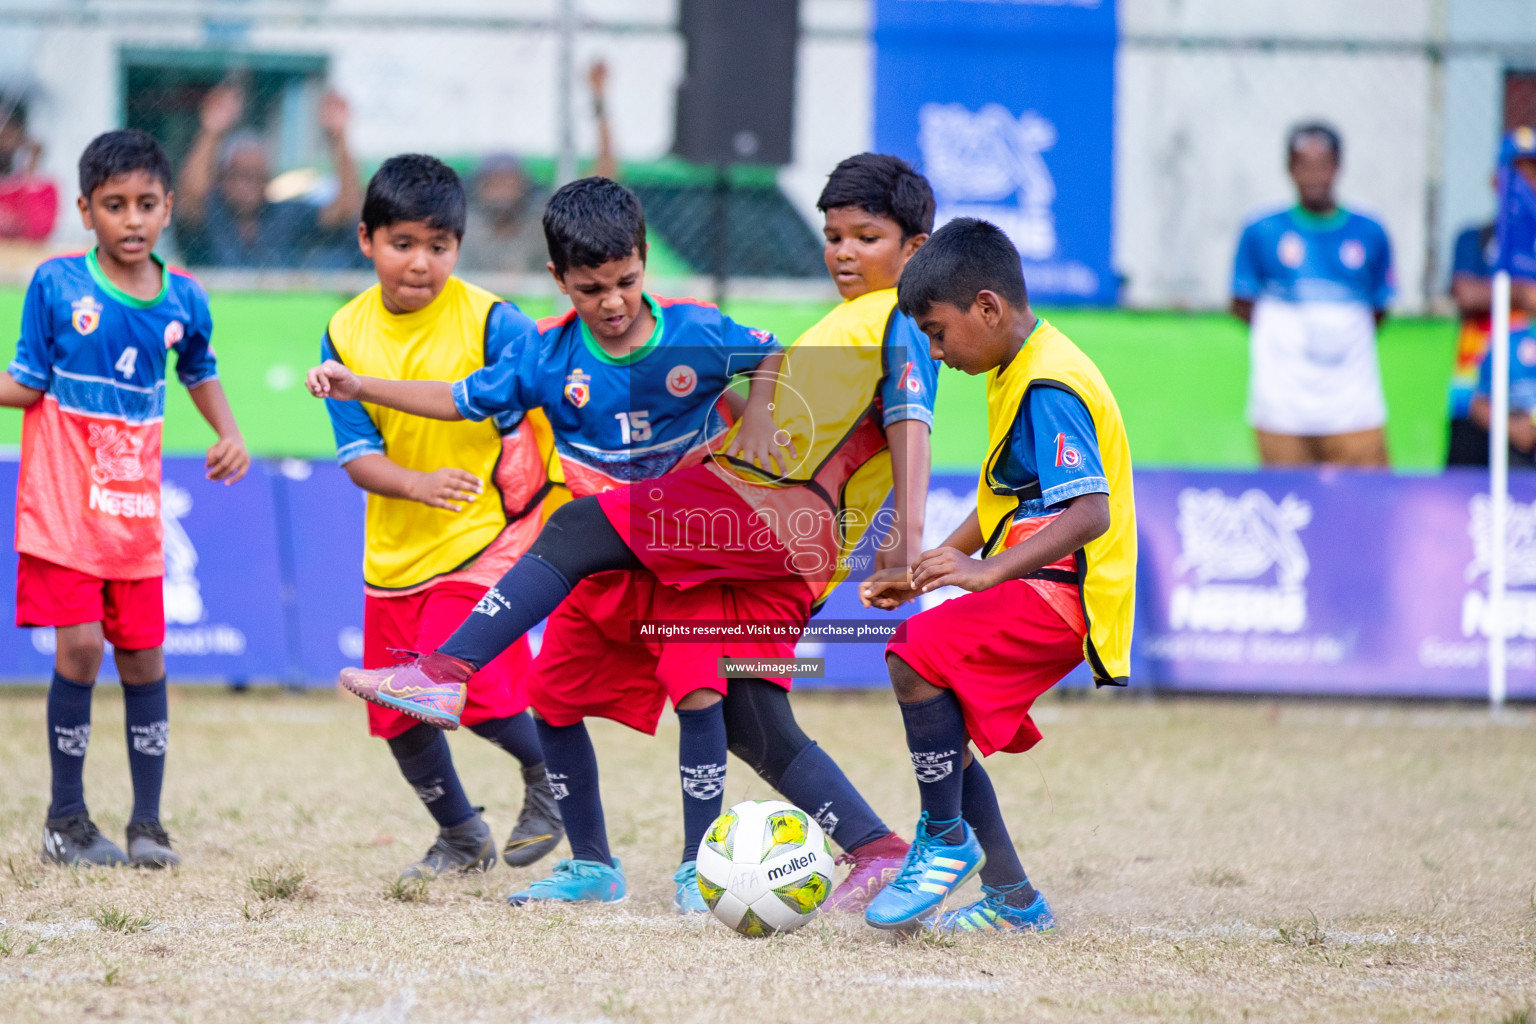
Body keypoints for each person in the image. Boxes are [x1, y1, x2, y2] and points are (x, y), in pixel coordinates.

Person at [308, 168, 920, 913]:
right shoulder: (545, 355)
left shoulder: (698, 329)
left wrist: (757, 417)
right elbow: (458, 400)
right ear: (559, 280)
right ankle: (596, 865)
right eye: (591, 288)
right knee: (555, 701)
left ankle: (699, 868)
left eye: (626, 281)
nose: (613, 302)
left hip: (691, 561)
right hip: (601, 566)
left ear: (643, 261)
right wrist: (361, 386)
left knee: (701, 692)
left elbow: (768, 354)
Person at [857, 218, 1135, 935]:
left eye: (939, 333)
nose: (938, 354)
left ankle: (945, 838)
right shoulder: (1017, 365)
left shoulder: (1047, 383)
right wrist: (929, 571)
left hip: (1064, 595)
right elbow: (1006, 499)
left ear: (988, 307)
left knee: (914, 657)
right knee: (939, 720)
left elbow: (1090, 512)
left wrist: (983, 574)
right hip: (1039, 583)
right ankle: (1012, 898)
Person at [0, 129, 250, 868]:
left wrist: (228, 431)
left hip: (133, 517)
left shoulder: (185, 299)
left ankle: (147, 825)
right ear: (85, 210)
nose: (132, 219)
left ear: (169, 207)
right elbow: (29, 383)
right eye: (115, 205)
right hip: (62, 507)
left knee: (143, 659)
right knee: (79, 648)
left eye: (146, 204)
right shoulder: (55, 285)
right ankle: (65, 820)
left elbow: (198, 368)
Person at [320, 154, 566, 880]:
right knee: (399, 716)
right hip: (396, 553)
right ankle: (462, 835)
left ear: (459, 247)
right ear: (367, 240)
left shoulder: (495, 322)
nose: (421, 263)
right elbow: (357, 455)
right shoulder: (343, 332)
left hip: (487, 535)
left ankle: (549, 776)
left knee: (464, 688)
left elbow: (556, 396)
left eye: (439, 245)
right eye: (403, 244)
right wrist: (416, 483)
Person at [1231, 123, 1395, 467]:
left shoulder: (1370, 230)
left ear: (1339, 166)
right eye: (1304, 165)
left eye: (1323, 164)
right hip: (1282, 408)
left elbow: (1379, 308)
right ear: (1290, 169)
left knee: (1367, 505)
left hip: (1354, 406)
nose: (1314, 175)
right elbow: (1241, 303)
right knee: (1289, 504)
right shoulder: (1261, 230)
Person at [175, 80, 363, 268]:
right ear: (222, 178)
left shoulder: (285, 216)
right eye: (239, 174)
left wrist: (338, 137)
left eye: (257, 175)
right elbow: (189, 198)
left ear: (268, 180)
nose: (247, 184)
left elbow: (344, 213)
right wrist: (211, 132)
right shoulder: (210, 216)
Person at [456, 61, 617, 275]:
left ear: (522, 186)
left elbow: (604, 174)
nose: (501, 192)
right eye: (492, 183)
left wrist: (598, 97)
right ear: (479, 188)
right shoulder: (468, 232)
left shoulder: (541, 225)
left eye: (508, 182)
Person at [1448, 130, 1536, 466]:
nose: (1524, 183)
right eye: (1515, 173)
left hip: (1527, 393)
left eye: (1532, 173)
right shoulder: (1474, 239)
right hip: (1475, 393)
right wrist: (1523, 294)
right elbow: (1466, 293)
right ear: (1495, 181)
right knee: (1464, 494)